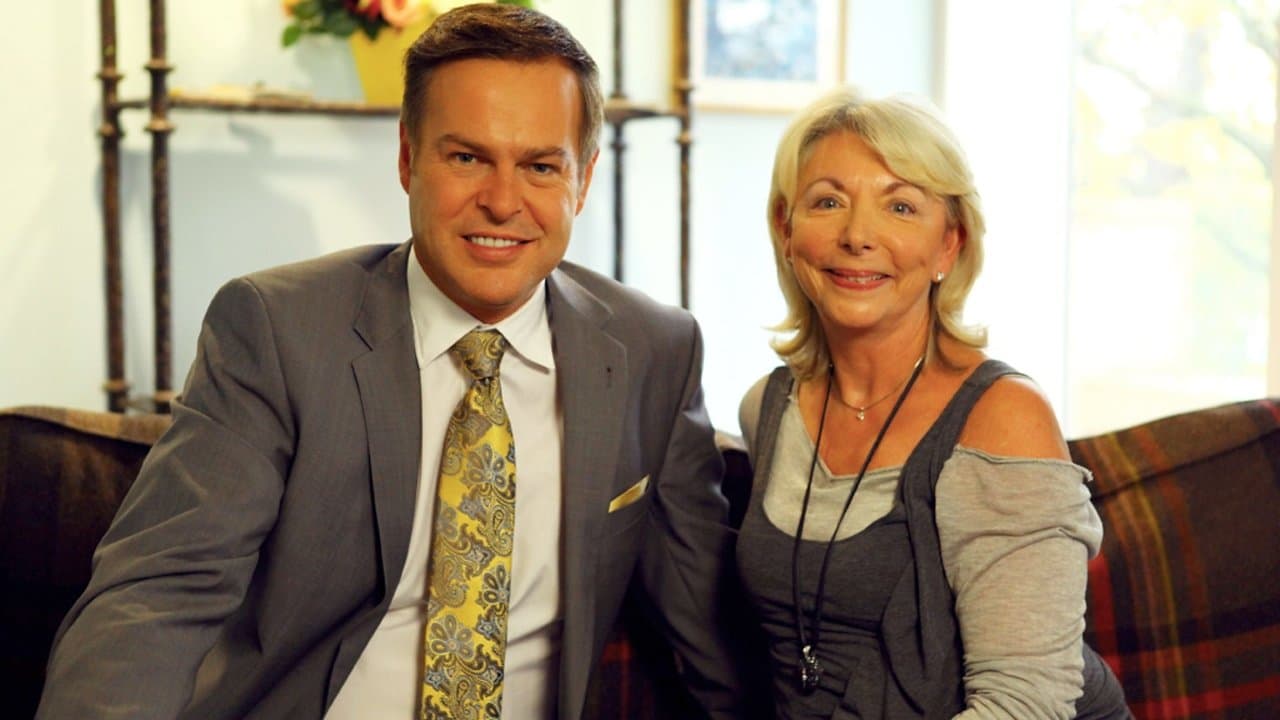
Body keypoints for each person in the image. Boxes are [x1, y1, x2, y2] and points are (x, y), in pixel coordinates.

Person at [36, 5, 746, 719]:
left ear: (583, 180)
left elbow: (706, 629)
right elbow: (160, 593)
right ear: (407, 158)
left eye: (540, 166)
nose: (503, 202)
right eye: (466, 158)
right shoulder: (277, 331)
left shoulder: (654, 351)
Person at [734, 87, 1131, 719]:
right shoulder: (768, 408)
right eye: (828, 201)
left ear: (950, 244)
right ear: (786, 229)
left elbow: (1026, 703)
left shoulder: (1002, 418)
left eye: (900, 206)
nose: (857, 235)